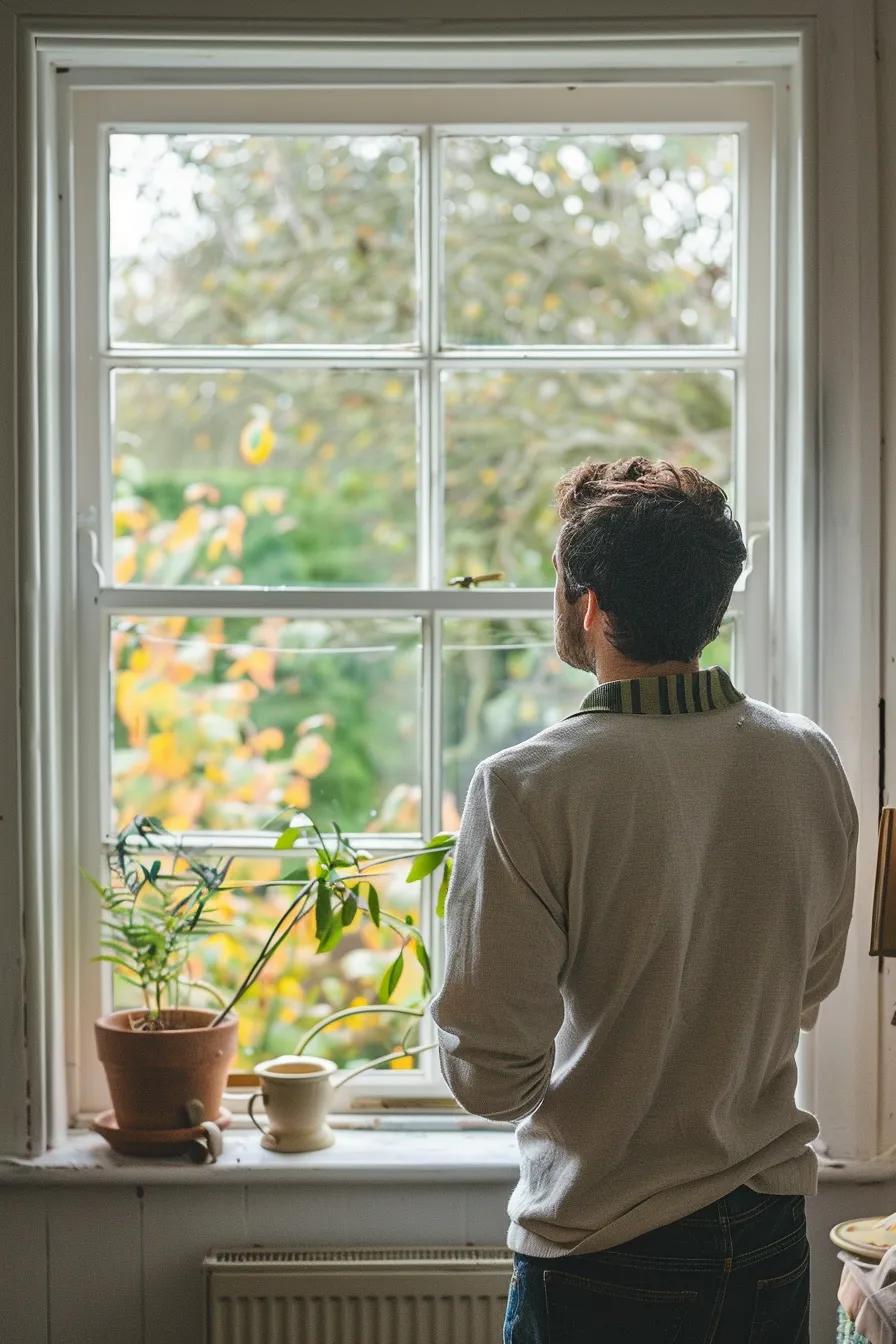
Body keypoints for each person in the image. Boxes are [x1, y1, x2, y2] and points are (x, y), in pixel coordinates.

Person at [429, 456, 858, 1344]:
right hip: (771, 1230)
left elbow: (489, 1079)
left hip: (605, 1247)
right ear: (712, 603)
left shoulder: (528, 787)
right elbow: (809, 988)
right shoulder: (807, 758)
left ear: (586, 605)